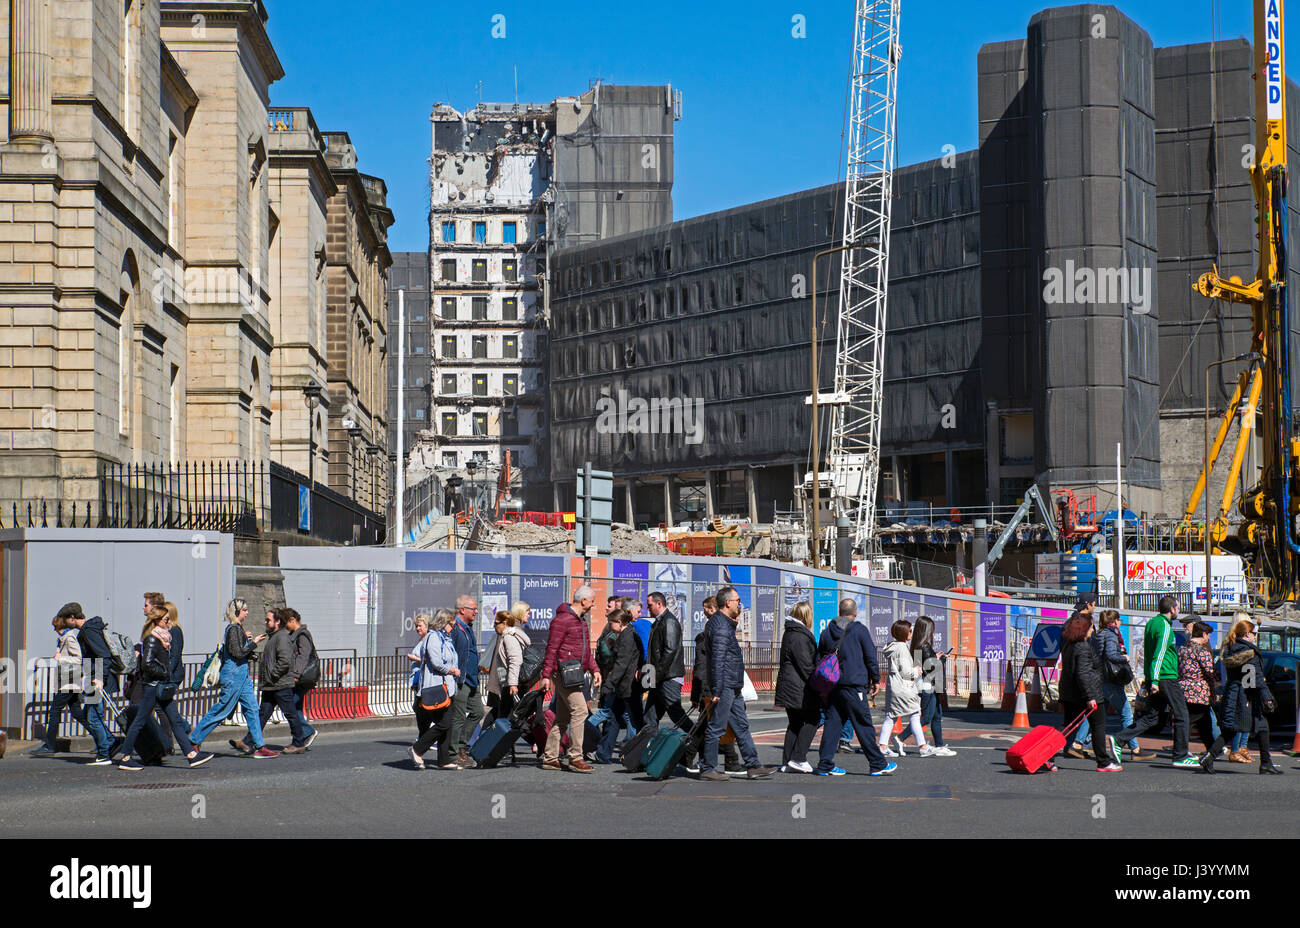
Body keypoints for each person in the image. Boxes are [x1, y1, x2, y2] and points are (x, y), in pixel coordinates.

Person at [117, 606, 213, 771]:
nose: (169, 622)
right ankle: (125, 757)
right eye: (166, 619)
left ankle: (191, 755)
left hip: (161, 686)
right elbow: (147, 664)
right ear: (157, 620)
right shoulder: (152, 639)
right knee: (139, 721)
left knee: (174, 720)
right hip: (153, 687)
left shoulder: (164, 638)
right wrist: (164, 672)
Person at [696, 586, 776, 781]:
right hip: (725, 686)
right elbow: (718, 659)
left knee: (741, 725)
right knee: (716, 727)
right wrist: (717, 688)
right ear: (727, 603)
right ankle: (708, 768)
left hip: (732, 684)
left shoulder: (723, 623)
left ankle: (753, 765)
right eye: (737, 600)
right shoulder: (721, 626)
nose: (740, 604)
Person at [813, 598, 896, 777]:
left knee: (833, 725)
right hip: (854, 685)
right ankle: (877, 763)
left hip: (832, 686)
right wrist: (875, 679)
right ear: (855, 613)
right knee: (863, 724)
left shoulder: (826, 632)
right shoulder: (859, 630)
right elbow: (870, 657)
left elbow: (819, 659)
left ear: (839, 612)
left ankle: (825, 764)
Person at [1114, 595, 1196, 768]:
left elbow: (1148, 652)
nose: (1179, 611)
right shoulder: (1165, 626)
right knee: (1182, 714)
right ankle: (1180, 755)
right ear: (1172, 609)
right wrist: (1156, 681)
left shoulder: (1152, 623)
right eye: (1178, 608)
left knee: (1152, 717)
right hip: (1166, 677)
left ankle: (1119, 739)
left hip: (1156, 677)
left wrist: (1150, 677)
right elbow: (1158, 654)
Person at [192, 600, 279, 759]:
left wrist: (247, 643)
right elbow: (237, 653)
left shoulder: (238, 629)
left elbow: (239, 651)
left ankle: (259, 745)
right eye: (245, 610)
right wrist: (253, 643)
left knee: (252, 709)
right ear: (237, 612)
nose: (247, 612)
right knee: (222, 709)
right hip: (233, 675)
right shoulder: (233, 629)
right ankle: (194, 740)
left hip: (242, 675)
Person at [1202, 616, 1281, 775]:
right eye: (1254, 634)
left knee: (1231, 730)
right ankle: (1265, 763)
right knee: (1262, 727)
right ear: (1246, 635)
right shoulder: (1249, 653)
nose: (1255, 636)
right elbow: (1254, 678)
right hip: (1246, 696)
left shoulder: (1232, 649)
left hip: (1233, 693)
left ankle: (1209, 757)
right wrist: (1266, 697)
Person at [1074, 611, 1154, 761]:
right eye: (1120, 620)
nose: (1121, 623)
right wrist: (1124, 658)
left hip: (1100, 679)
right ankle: (1134, 748)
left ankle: (1077, 743)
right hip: (1111, 680)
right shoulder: (1111, 634)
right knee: (1126, 714)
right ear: (1115, 621)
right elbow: (1111, 655)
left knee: (1095, 713)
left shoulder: (1099, 634)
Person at [539, 586, 601, 772]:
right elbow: (551, 648)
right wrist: (546, 675)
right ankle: (575, 757)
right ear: (583, 601)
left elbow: (585, 651)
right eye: (592, 601)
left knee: (563, 718)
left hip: (575, 674)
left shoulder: (581, 621)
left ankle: (550, 758)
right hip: (564, 674)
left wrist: (595, 669)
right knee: (581, 711)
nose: (593, 604)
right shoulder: (562, 620)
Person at [241, 608, 310, 754]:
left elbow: (285, 661)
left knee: (290, 713)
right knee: (263, 714)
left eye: (268, 620)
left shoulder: (282, 637)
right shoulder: (274, 637)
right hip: (272, 685)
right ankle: (248, 741)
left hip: (279, 683)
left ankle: (298, 742)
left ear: (277, 622)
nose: (265, 622)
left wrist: (273, 675)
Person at [1058, 613, 1122, 772]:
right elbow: (1083, 673)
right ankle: (1103, 762)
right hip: (1088, 693)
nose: (1093, 630)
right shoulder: (1083, 647)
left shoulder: (1069, 644)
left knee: (1067, 728)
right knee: (1098, 725)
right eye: (1091, 627)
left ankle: (1047, 755)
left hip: (1069, 692)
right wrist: (1090, 697)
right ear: (1084, 628)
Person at [685, 619, 744, 775]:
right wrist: (698, 694)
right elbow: (701, 668)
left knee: (711, 725)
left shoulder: (715, 636)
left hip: (714, 688)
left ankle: (708, 759)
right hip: (711, 689)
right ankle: (727, 761)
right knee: (713, 726)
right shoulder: (706, 640)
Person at [63, 604, 120, 765]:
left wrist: (100, 678)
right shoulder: (89, 629)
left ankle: (104, 754)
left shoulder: (88, 631)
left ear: (73, 618)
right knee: (91, 714)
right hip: (93, 678)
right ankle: (110, 742)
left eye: (66, 620)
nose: (66, 624)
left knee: (93, 718)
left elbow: (104, 654)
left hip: (96, 680)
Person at [408, 609, 462, 769]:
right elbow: (437, 662)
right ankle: (417, 749)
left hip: (448, 687)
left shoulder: (445, 638)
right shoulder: (433, 637)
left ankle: (444, 760)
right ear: (443, 623)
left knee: (448, 724)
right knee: (444, 724)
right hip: (436, 686)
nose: (453, 627)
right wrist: (452, 670)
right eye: (451, 624)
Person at [32, 612, 88, 756]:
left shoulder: (69, 638)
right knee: (77, 713)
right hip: (69, 682)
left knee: (55, 711)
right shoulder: (64, 638)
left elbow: (78, 659)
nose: (54, 630)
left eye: (55, 627)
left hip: (69, 682)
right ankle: (104, 738)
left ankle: (49, 745)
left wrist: (61, 658)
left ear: (59, 626)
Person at [595, 609, 645, 764]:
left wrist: (608, 684)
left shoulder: (626, 637)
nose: (609, 626)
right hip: (624, 685)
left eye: (611, 623)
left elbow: (621, 665)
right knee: (614, 719)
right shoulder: (628, 634)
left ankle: (643, 752)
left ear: (619, 622)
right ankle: (603, 753)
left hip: (627, 686)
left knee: (636, 721)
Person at [774, 601, 819, 773]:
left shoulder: (790, 632)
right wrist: (818, 683)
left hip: (789, 685)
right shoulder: (800, 636)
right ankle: (799, 758)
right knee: (813, 718)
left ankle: (787, 761)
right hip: (798, 687)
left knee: (795, 723)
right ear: (806, 616)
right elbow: (805, 665)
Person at [878, 620, 932, 757]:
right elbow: (906, 671)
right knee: (914, 714)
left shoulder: (893, 647)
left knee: (891, 716)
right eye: (909, 631)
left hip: (894, 687)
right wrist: (917, 671)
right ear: (903, 633)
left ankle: (883, 746)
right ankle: (923, 746)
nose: (911, 633)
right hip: (904, 688)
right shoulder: (902, 648)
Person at [905, 615, 955, 756]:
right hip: (929, 685)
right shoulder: (925, 645)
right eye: (931, 629)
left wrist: (936, 657)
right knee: (927, 718)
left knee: (936, 716)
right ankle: (900, 737)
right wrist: (942, 659)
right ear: (926, 630)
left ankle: (939, 746)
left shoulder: (917, 645)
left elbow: (926, 664)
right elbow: (932, 668)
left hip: (928, 684)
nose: (932, 632)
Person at [643, 591, 690, 731]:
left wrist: (657, 675)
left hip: (668, 677)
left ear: (659, 603)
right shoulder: (659, 622)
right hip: (660, 677)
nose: (648, 608)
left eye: (650, 605)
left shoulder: (669, 622)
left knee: (675, 713)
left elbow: (669, 651)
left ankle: (699, 740)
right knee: (650, 715)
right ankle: (647, 747)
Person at [448, 595, 485, 767]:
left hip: (472, 679)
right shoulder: (455, 628)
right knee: (459, 717)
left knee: (478, 711)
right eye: (473, 609)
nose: (476, 612)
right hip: (460, 680)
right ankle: (454, 753)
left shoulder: (468, 628)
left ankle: (462, 744)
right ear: (462, 610)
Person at [1177, 621, 1221, 761]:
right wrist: (1217, 681)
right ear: (1203, 634)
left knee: (1203, 721)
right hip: (1198, 691)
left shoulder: (1182, 648)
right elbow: (1209, 671)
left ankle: (1212, 749)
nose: (1208, 638)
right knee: (1193, 720)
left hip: (1183, 688)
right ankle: (1181, 752)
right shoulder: (1201, 651)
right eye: (1208, 635)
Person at [485, 609, 530, 724]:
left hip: (511, 684)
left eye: (496, 623)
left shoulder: (509, 638)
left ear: (504, 623)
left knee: (506, 719)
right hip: (509, 683)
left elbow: (515, 660)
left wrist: (513, 684)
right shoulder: (507, 636)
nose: (494, 626)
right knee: (507, 718)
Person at [283, 608, 319, 751]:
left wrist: (296, 675)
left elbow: (303, 656)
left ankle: (308, 731)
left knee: (290, 706)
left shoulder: (302, 635)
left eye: (286, 622)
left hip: (302, 678)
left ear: (292, 620)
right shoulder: (294, 634)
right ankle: (298, 739)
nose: (284, 626)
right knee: (296, 708)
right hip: (299, 677)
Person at [408, 613, 433, 736]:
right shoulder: (421, 640)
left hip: (425, 680)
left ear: (427, 626)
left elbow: (431, 659)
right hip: (418, 679)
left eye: (420, 626)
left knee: (420, 707)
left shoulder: (429, 640)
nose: (417, 628)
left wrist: (415, 658)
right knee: (419, 708)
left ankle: (426, 736)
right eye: (416, 626)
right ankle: (425, 735)